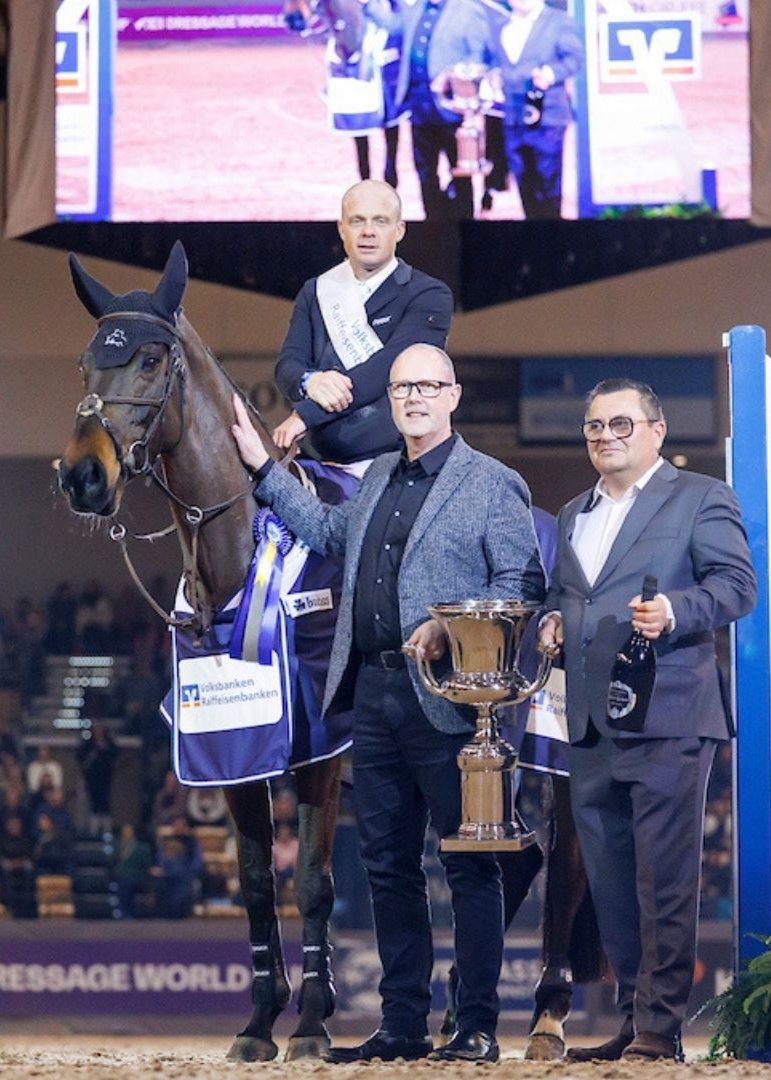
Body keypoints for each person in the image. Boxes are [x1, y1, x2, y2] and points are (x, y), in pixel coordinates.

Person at [230, 343, 545, 1063]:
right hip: (372, 693)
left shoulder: (493, 483)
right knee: (388, 868)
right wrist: (260, 468)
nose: (413, 397)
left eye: (427, 385)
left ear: (453, 395)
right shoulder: (374, 478)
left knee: (467, 866)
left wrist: (451, 624)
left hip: (454, 702)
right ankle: (402, 1025)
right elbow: (327, 533)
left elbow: (523, 586)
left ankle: (475, 1027)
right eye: (402, 387)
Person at [540, 378, 755, 1062]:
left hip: (668, 715)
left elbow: (737, 585)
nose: (606, 436)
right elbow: (564, 595)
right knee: (608, 885)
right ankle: (636, 1019)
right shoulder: (573, 511)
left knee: (663, 880)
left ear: (657, 431)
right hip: (589, 725)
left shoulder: (701, 498)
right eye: (596, 426)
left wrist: (675, 613)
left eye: (621, 424)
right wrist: (550, 622)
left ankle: (661, 1028)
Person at [273, 180, 452, 464]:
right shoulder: (315, 291)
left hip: (396, 462)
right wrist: (311, 380)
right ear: (341, 228)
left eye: (380, 221)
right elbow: (288, 366)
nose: (368, 231)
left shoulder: (429, 294)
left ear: (399, 230)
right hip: (315, 459)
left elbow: (389, 368)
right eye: (357, 221)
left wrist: (305, 415)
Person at [371, 0, 495, 220]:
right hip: (418, 107)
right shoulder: (416, 9)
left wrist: (451, 76)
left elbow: (478, 55)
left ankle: (463, 225)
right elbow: (393, 26)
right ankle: (433, 226)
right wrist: (367, 3)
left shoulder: (468, 9)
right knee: (425, 173)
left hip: (453, 109)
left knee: (460, 174)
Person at [490, 0, 581, 218]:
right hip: (512, 118)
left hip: (548, 116)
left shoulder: (559, 22)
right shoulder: (501, 24)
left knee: (547, 184)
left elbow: (576, 58)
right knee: (524, 184)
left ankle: (552, 241)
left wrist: (551, 74)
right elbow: (496, 62)